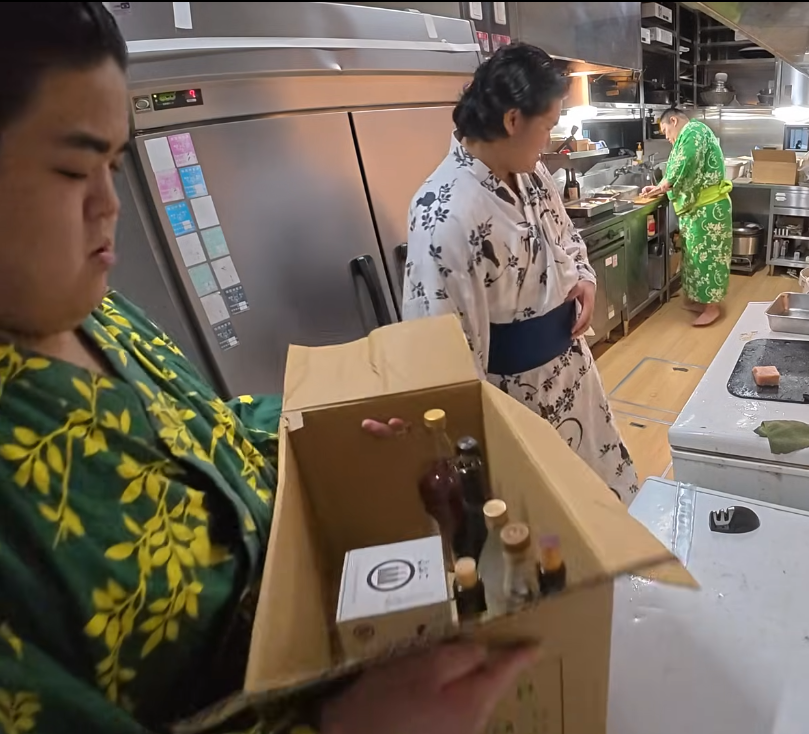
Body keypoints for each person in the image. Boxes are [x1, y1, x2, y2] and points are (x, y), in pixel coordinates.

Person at [0, 4, 538, 734]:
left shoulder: (99, 313)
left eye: (115, 166)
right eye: (72, 169)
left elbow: (204, 431)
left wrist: (321, 424)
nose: (109, 206)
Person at [402, 43, 639, 504]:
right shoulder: (444, 213)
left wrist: (584, 277)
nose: (548, 141)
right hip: (515, 399)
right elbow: (439, 352)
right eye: (547, 127)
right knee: (551, 515)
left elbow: (565, 234)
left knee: (602, 500)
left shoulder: (530, 172)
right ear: (513, 120)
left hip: (572, 374)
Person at [642, 108, 733, 327]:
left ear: (673, 120)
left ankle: (712, 308)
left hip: (709, 209)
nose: (667, 137)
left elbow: (687, 159)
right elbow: (681, 164)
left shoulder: (693, 130)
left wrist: (665, 184)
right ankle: (700, 302)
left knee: (709, 259)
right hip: (699, 209)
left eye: (666, 130)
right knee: (695, 258)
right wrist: (661, 186)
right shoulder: (689, 134)